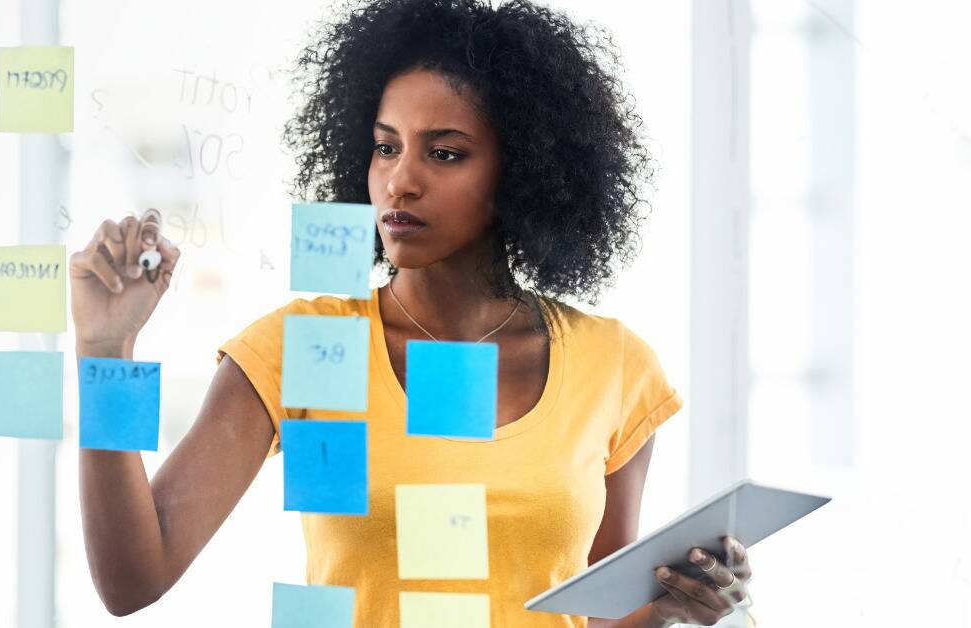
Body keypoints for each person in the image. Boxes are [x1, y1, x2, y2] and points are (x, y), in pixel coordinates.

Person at [70, 0, 754, 625]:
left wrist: (674, 608)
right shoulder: (306, 345)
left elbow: (593, 617)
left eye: (445, 153)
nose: (400, 179)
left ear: (522, 172)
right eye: (386, 146)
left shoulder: (615, 365)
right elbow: (133, 579)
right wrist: (106, 350)